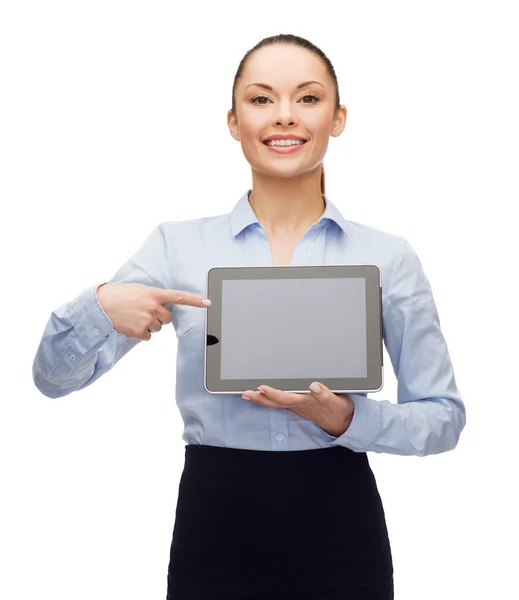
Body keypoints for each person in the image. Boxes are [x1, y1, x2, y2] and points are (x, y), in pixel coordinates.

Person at [32, 33, 467, 600]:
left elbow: (443, 418)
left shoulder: (388, 256)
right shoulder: (175, 247)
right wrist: (100, 306)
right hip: (214, 524)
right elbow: (51, 380)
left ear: (337, 119)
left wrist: (346, 419)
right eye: (261, 99)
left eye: (307, 99)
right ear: (234, 122)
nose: (284, 116)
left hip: (342, 527)